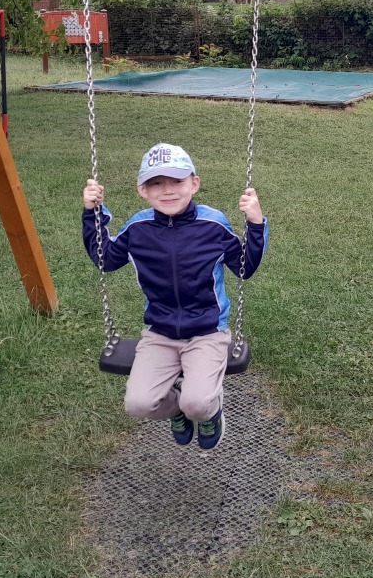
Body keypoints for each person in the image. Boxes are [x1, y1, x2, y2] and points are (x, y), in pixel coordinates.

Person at [82, 143, 268, 450]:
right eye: (156, 183)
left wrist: (256, 224)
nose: (167, 190)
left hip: (207, 331)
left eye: (177, 181)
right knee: (139, 404)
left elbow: (244, 267)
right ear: (142, 190)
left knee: (199, 403)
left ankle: (208, 413)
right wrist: (92, 214)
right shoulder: (138, 228)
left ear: (194, 184)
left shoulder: (213, 225)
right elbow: (106, 259)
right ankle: (176, 408)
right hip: (160, 332)